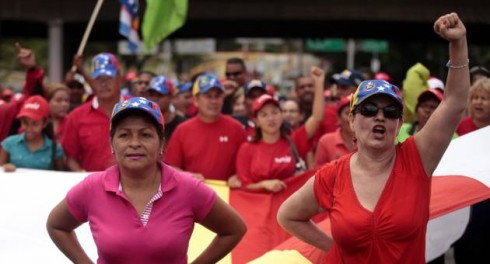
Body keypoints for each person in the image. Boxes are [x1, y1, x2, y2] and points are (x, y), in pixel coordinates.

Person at [277, 12, 469, 263]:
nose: (380, 117)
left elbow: (453, 102)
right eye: (369, 110)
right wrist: (334, 248)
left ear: (399, 123)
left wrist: (458, 44)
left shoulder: (417, 157)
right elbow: (287, 216)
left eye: (390, 112)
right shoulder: (331, 176)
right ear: (352, 120)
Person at [46, 97, 246, 264]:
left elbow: (234, 229)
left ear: (161, 143)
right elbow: (56, 226)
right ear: (112, 143)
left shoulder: (188, 188)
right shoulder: (92, 188)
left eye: (145, 135)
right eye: (124, 135)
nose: (134, 143)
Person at [235, 67, 324, 192]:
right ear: (256, 121)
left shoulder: (294, 141)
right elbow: (244, 186)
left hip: (290, 208)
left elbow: (316, 118)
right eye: (264, 115)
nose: (271, 118)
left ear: (282, 115)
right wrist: (263, 185)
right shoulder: (246, 149)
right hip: (258, 208)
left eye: (274, 112)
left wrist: (319, 83)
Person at [164, 73, 246, 187]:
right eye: (208, 96)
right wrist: (187, 175)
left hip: (228, 196)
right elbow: (170, 168)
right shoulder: (183, 130)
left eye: (217, 96)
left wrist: (238, 176)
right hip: (193, 194)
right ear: (196, 100)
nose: (213, 101)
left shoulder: (236, 128)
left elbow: (247, 165)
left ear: (223, 99)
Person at [61, 52, 126, 172]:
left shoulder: (137, 109)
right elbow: (69, 157)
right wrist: (80, 174)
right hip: (93, 186)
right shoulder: (76, 116)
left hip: (133, 187)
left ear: (119, 78)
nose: (103, 83)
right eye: (98, 79)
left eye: (108, 78)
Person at [0, 95, 64, 172]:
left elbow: (61, 173)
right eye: (25, 122)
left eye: (35, 124)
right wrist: (5, 167)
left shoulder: (55, 148)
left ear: (44, 124)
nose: (29, 128)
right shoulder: (9, 144)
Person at [315, 96, 356, 166]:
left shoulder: (367, 141)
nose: (351, 118)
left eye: (355, 113)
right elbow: (318, 172)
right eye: (347, 113)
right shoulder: (326, 141)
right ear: (338, 118)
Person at [145, 75, 186, 140]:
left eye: (160, 95)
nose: (155, 98)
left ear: (171, 97)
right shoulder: (142, 122)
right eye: (151, 94)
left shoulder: (182, 124)